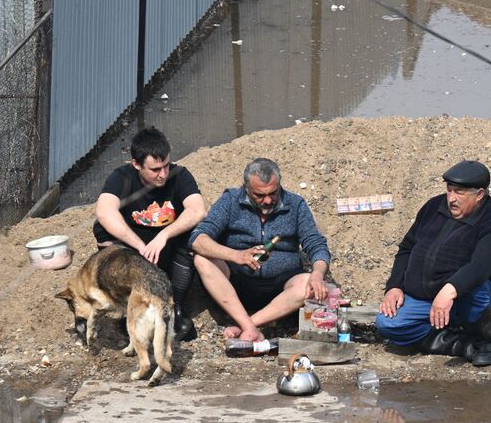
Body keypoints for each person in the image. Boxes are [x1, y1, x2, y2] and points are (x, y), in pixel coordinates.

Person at [376, 160, 491, 367]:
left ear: (479, 195)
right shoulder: (433, 207)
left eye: (459, 193)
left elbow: (479, 268)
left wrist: (449, 290)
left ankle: (484, 341)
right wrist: (394, 285)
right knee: (388, 323)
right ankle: (459, 344)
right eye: (449, 191)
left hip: (471, 299)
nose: (451, 198)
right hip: (427, 297)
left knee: (476, 287)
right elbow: (407, 248)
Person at [188, 158, 332, 343]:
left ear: (279, 184)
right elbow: (198, 239)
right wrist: (236, 255)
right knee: (202, 259)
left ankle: (246, 325)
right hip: (236, 284)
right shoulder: (231, 200)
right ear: (246, 187)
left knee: (307, 284)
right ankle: (248, 325)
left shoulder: (295, 204)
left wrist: (318, 274)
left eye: (273, 193)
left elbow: (316, 243)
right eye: (259, 195)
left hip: (282, 288)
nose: (268, 200)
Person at [92, 127, 209, 342]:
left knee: (196, 233)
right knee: (102, 230)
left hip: (167, 251)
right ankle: (130, 307)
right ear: (136, 164)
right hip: (135, 253)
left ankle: (176, 306)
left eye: (165, 166)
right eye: (155, 169)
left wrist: (163, 236)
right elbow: (104, 211)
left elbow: (198, 209)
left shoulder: (179, 176)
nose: (163, 174)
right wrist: (138, 245)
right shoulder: (122, 178)